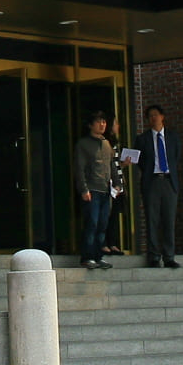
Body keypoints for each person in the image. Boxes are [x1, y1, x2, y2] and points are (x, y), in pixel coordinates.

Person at [72, 111, 118, 269]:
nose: (102, 124)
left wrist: (117, 183)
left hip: (106, 190)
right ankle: (87, 256)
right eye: (98, 122)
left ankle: (99, 256)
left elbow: (112, 165)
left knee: (102, 225)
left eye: (104, 122)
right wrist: (83, 189)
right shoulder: (83, 144)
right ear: (90, 125)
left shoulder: (106, 143)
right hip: (91, 189)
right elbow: (79, 168)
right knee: (92, 223)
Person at [138, 104, 182, 268]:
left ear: (162, 117)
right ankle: (154, 256)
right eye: (150, 116)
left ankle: (169, 256)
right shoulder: (142, 139)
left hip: (169, 181)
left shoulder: (172, 137)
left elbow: (176, 157)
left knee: (169, 220)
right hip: (152, 181)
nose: (153, 118)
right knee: (152, 220)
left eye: (156, 115)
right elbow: (141, 162)